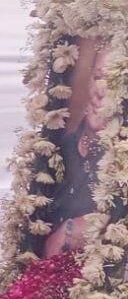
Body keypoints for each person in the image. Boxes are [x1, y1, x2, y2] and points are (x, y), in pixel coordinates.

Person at [43, 40, 108, 257]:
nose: (101, 92)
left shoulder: (120, 163)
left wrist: (72, 230)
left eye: (115, 85)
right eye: (98, 78)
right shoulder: (64, 145)